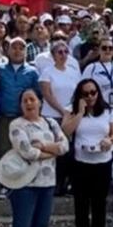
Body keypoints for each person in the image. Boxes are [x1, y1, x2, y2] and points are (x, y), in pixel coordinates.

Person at [4, 89, 69, 227]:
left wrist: (45, 147)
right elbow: (27, 152)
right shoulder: (17, 125)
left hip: (47, 184)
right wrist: (52, 151)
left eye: (32, 99)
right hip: (24, 185)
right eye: (24, 100)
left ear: (40, 103)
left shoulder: (50, 123)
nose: (29, 103)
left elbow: (65, 146)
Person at [62, 78, 113, 227]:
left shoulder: (109, 112)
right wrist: (80, 112)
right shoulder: (71, 110)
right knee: (81, 207)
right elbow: (66, 132)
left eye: (93, 93)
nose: (90, 97)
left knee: (99, 207)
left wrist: (109, 141)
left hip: (102, 163)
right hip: (80, 163)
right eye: (85, 94)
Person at [39, 39, 80, 194]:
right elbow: (47, 94)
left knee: (70, 152)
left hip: (71, 116)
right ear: (53, 55)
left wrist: (71, 112)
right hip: (52, 116)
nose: (63, 55)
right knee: (56, 151)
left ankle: (68, 183)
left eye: (65, 52)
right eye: (59, 52)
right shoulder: (47, 72)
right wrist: (62, 111)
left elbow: (78, 93)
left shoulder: (74, 72)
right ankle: (55, 184)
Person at [0, 38, 40, 159]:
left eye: (21, 48)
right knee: (5, 155)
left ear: (25, 52)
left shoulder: (32, 72)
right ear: (8, 50)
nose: (17, 51)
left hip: (25, 119)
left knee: (25, 153)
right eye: (14, 48)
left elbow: (38, 96)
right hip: (4, 119)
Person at [81, 38, 113, 117]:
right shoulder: (91, 68)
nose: (108, 50)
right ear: (99, 50)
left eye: (110, 48)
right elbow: (83, 89)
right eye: (104, 48)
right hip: (99, 111)